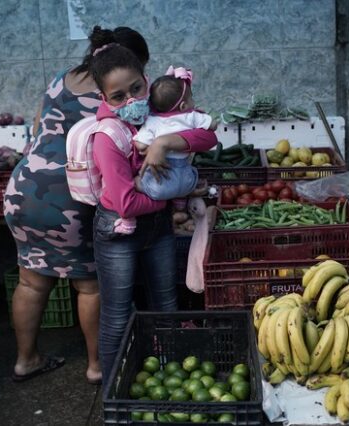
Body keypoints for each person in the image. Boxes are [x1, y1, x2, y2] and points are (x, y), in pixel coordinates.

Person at [3, 26, 150, 385]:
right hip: (71, 196)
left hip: (23, 188)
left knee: (32, 281)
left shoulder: (60, 79)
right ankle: (97, 366)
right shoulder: (114, 97)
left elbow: (38, 129)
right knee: (91, 286)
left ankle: (26, 360)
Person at [86, 43, 217, 384]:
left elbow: (207, 135)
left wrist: (163, 144)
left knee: (166, 303)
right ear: (103, 97)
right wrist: (179, 193)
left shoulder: (157, 113)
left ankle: (169, 376)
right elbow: (126, 203)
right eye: (117, 96)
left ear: (147, 80)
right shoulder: (107, 137)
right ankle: (114, 393)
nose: (130, 100)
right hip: (118, 233)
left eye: (136, 88)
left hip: (157, 228)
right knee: (117, 315)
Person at [113, 66, 216, 234]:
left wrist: (155, 145)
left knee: (139, 181)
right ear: (183, 105)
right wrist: (194, 120)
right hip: (188, 180)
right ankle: (180, 205)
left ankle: (149, 189)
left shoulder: (152, 121)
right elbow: (213, 126)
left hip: (159, 185)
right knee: (186, 180)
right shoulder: (191, 115)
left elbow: (140, 145)